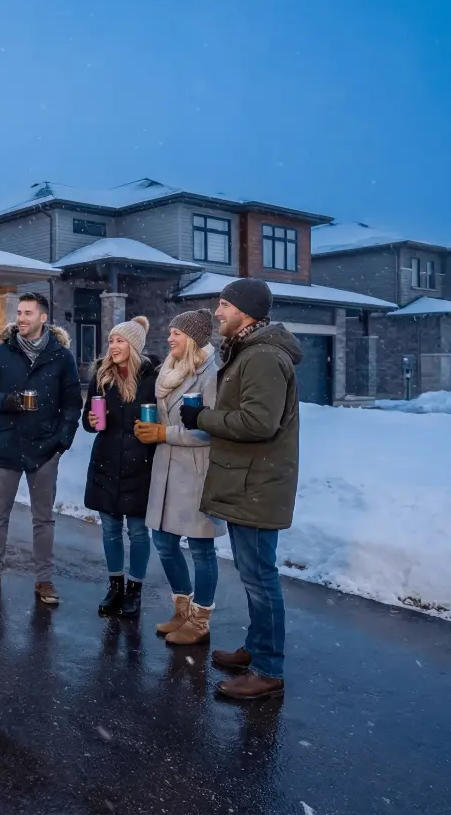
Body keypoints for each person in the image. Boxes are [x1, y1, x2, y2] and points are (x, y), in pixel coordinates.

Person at [179, 279, 301, 700]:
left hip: (257, 484)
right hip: (250, 481)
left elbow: (258, 423)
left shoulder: (263, 357)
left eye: (225, 305)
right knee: (254, 575)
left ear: (247, 312)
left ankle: (268, 669)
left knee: (260, 577)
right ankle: (257, 650)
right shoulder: (251, 351)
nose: (218, 312)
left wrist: (205, 419)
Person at [0, 292, 83, 605]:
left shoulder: (61, 357)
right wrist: (8, 401)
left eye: (28, 313)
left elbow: (72, 403)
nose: (21, 318)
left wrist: (63, 440)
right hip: (5, 443)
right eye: (19, 313)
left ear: (43, 318)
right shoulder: (0, 353)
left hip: (45, 447)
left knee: (43, 519)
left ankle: (44, 580)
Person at [134, 309, 222, 647]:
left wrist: (163, 432)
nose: (169, 338)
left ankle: (200, 620)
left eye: (176, 334)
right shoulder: (167, 372)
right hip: (165, 470)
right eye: (169, 332)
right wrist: (149, 427)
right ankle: (181, 609)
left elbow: (209, 431)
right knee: (164, 543)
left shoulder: (210, 376)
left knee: (201, 548)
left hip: (196, 473)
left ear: (194, 339)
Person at [82, 316, 158, 619]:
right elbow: (89, 422)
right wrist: (89, 422)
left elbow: (163, 420)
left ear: (134, 345)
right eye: (111, 340)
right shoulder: (102, 377)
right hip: (106, 461)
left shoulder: (153, 379)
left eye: (120, 341)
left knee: (138, 531)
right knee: (111, 530)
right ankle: (115, 586)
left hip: (141, 464)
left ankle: (134, 590)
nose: (113, 346)